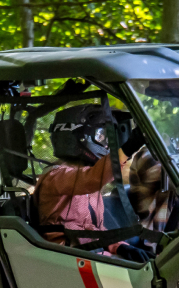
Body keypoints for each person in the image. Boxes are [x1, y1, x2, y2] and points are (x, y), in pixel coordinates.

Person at [34, 103, 150, 261]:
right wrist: (128, 148)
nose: (107, 143)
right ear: (78, 136)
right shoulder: (56, 175)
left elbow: (94, 230)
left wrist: (120, 246)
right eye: (101, 136)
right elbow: (91, 179)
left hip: (85, 253)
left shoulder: (85, 176)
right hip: (64, 257)